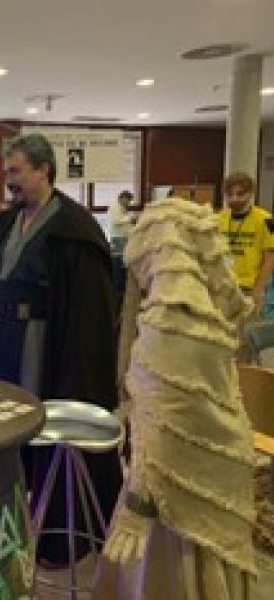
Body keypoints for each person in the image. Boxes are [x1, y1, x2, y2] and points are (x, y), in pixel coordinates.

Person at [0, 133, 122, 566]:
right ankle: (5, 517)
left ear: (43, 170)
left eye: (16, 171)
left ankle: (55, 530)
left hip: (40, 347)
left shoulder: (74, 229)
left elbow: (91, 311)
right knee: (0, 427)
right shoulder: (9, 221)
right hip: (0, 340)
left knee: (37, 428)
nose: (9, 180)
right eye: (7, 171)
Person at [93, 197, 256, 600]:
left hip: (166, 489)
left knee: (171, 565)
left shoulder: (165, 331)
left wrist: (138, 501)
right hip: (221, 468)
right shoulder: (210, 322)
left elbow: (158, 427)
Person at [217, 171, 274, 313]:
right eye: (229, 194)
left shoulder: (266, 219)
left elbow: (270, 258)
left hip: (250, 288)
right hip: (223, 288)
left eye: (240, 194)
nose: (234, 199)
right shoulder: (218, 219)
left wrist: (259, 289)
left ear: (251, 194)